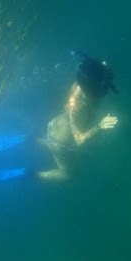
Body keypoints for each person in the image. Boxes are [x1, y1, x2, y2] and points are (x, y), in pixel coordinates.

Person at [37, 51, 118, 182]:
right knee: (69, 176)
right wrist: (100, 126)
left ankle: (38, 141)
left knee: (57, 147)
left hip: (56, 127)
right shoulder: (77, 106)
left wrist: (99, 68)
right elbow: (79, 139)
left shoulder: (81, 83)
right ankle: (30, 176)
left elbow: (89, 75)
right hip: (60, 143)